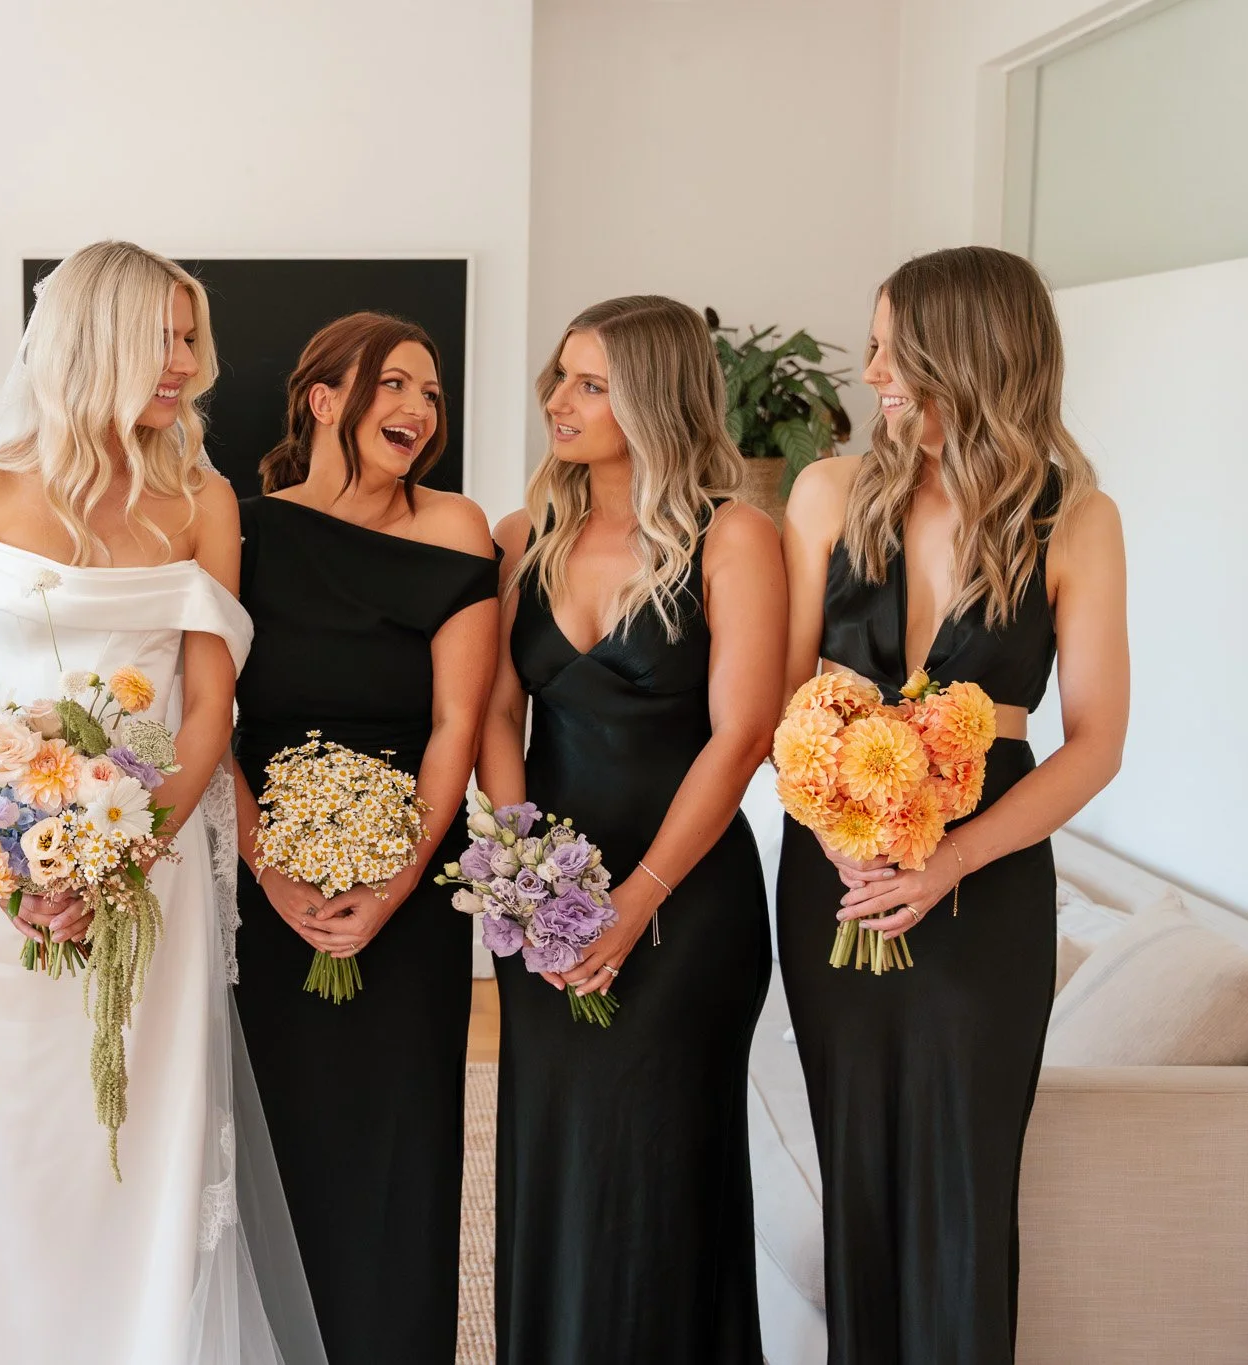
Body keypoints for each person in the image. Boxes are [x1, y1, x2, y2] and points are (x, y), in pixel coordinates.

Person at [0, 240, 322, 1365]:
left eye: (193, 338)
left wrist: (118, 865)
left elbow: (204, 712)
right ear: (96, 339)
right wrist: (9, 859)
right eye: (165, 337)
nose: (187, 362)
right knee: (19, 1146)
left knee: (141, 1143)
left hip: (152, 867)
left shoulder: (202, 499)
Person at [779, 245, 1129, 1363]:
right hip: (830, 877)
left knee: (963, 1190)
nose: (872, 370)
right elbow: (782, 703)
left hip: (984, 894)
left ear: (964, 355)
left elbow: (1096, 743)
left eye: (892, 347)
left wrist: (949, 860)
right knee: (857, 1179)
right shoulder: (828, 491)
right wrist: (844, 837)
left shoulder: (1074, 519)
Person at [477, 295, 783, 1362]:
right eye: (558, 378)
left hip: (685, 902)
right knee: (555, 1148)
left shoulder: (732, 534)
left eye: (590, 384)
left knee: (658, 1162)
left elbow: (742, 733)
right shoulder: (522, 535)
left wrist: (634, 899)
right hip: (546, 897)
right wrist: (523, 881)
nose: (557, 402)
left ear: (651, 398)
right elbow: (492, 718)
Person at [230, 311, 497, 1365]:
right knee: (278, 1142)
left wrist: (389, 882)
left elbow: (455, 727)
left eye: (430, 394)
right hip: (268, 882)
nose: (419, 411)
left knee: (402, 1150)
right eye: (394, 385)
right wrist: (271, 865)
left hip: (410, 890)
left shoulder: (457, 528)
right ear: (323, 398)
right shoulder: (241, 527)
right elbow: (213, 724)